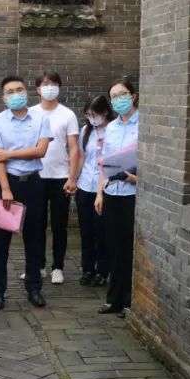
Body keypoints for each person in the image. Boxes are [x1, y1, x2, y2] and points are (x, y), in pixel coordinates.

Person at [0, 76, 51, 310]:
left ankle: (34, 288)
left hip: (33, 183)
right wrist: (5, 189)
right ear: (4, 97)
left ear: (27, 92)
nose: (16, 94)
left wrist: (9, 154)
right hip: (7, 184)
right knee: (1, 242)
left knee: (33, 239)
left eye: (19, 89)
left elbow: (40, 151)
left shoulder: (41, 119)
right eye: (10, 91)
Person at [95, 78, 138, 319]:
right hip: (112, 192)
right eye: (114, 97)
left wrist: (134, 178)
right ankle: (113, 299)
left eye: (123, 94)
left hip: (132, 193)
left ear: (133, 96)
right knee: (113, 247)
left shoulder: (144, 124)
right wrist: (100, 193)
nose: (118, 100)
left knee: (128, 247)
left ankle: (128, 301)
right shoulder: (110, 128)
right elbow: (104, 163)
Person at [31, 72, 80, 285]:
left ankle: (58, 267)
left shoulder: (67, 114)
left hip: (60, 177)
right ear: (37, 89)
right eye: (45, 84)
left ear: (59, 87)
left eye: (53, 84)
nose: (49, 87)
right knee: (36, 224)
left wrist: (72, 177)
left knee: (59, 226)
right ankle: (38, 266)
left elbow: (74, 148)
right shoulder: (31, 113)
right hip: (36, 176)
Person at [74, 95, 114, 286]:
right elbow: (81, 156)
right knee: (86, 230)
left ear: (104, 112)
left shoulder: (113, 130)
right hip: (85, 185)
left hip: (104, 187)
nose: (91, 118)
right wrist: (73, 179)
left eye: (94, 114)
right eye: (88, 115)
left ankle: (102, 270)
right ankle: (87, 268)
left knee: (102, 231)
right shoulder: (86, 131)